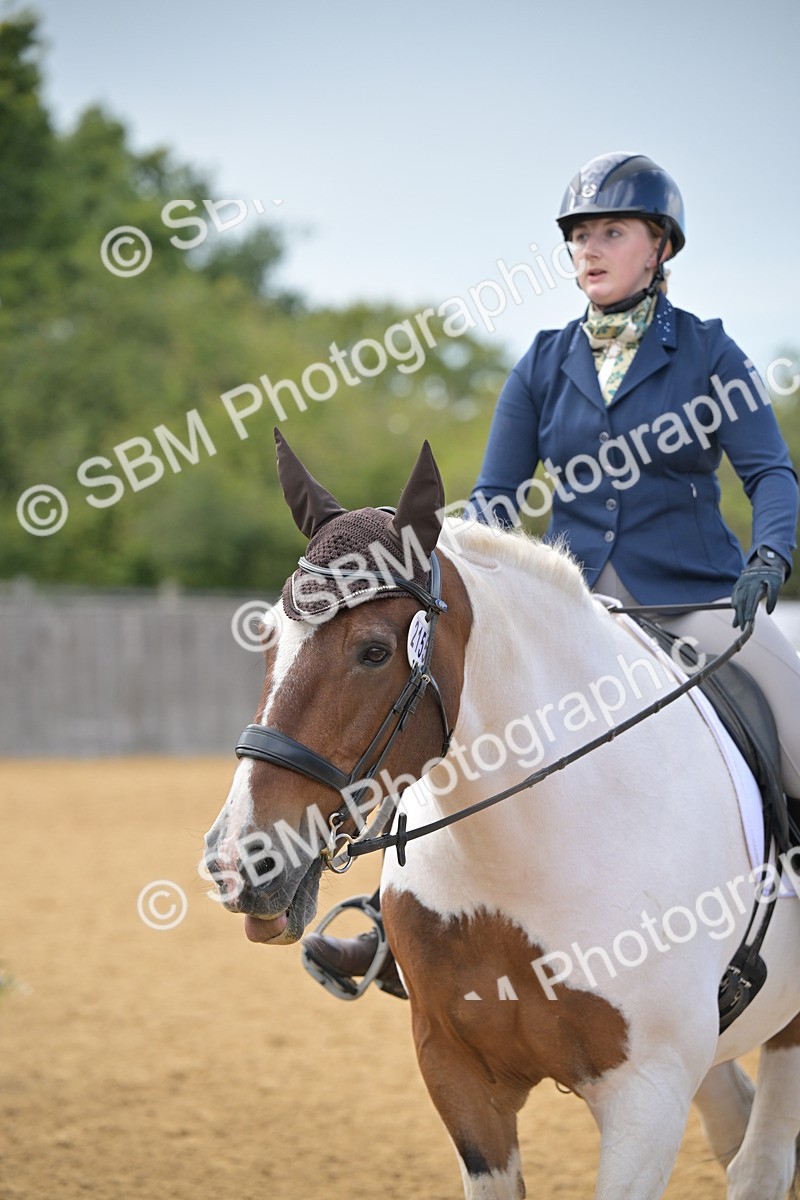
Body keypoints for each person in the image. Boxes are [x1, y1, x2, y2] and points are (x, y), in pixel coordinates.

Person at [303, 151, 800, 999]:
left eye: (612, 231)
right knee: (439, 717)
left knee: (794, 729)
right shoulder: (541, 361)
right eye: (578, 235)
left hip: (696, 601)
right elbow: (495, 494)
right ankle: (392, 927)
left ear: (660, 247)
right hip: (579, 612)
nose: (589, 248)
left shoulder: (713, 354)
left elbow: (771, 476)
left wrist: (769, 556)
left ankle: (777, 923)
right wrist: (488, 570)